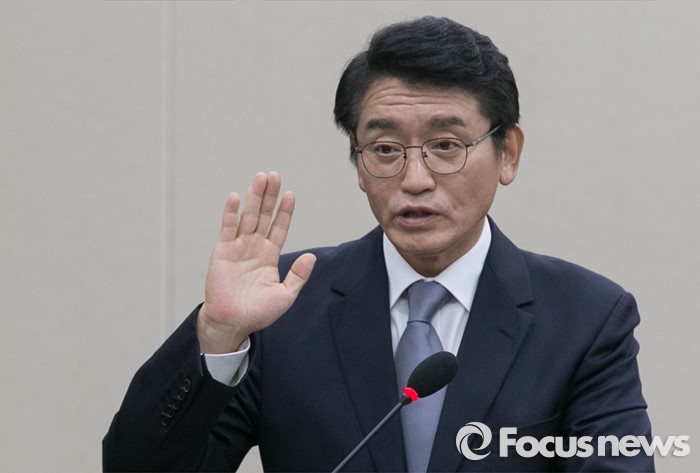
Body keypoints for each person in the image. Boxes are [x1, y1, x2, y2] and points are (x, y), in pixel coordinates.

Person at [103, 16, 653, 472]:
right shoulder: (283, 306)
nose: (415, 178)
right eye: (385, 149)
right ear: (358, 162)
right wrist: (220, 335)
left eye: (446, 145)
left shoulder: (585, 318)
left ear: (507, 153)